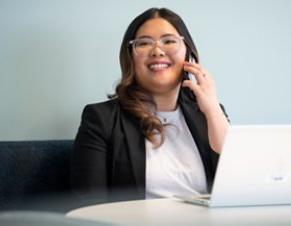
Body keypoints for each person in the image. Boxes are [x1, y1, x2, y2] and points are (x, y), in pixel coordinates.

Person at [70, 7, 229, 206]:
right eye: (144, 43)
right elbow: (88, 205)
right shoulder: (101, 119)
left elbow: (240, 186)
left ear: (187, 53)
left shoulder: (209, 113)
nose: (157, 51)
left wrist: (213, 111)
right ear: (130, 57)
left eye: (169, 41)